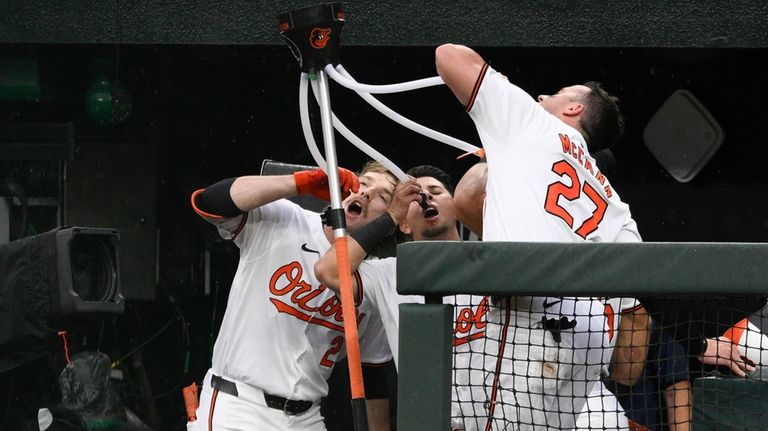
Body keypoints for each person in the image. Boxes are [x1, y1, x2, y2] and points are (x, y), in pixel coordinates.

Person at [436, 43, 642, 430]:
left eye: (559, 92)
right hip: (591, 330)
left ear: (575, 109)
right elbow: (635, 287)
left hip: (531, 309)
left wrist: (500, 85)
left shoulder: (531, 120)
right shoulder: (612, 197)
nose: (543, 95)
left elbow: (449, 55)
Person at [189, 161, 399, 430]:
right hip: (239, 405)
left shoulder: (376, 279)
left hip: (307, 416)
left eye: (383, 196)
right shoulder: (286, 219)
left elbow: (373, 376)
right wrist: (300, 183)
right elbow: (211, 202)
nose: (367, 193)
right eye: (364, 182)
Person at [314, 165, 491, 430]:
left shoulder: (493, 260)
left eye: (436, 192)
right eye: (415, 196)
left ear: (455, 207)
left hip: (505, 418)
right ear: (404, 224)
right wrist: (391, 215)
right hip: (431, 424)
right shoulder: (389, 274)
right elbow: (328, 271)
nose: (426, 198)